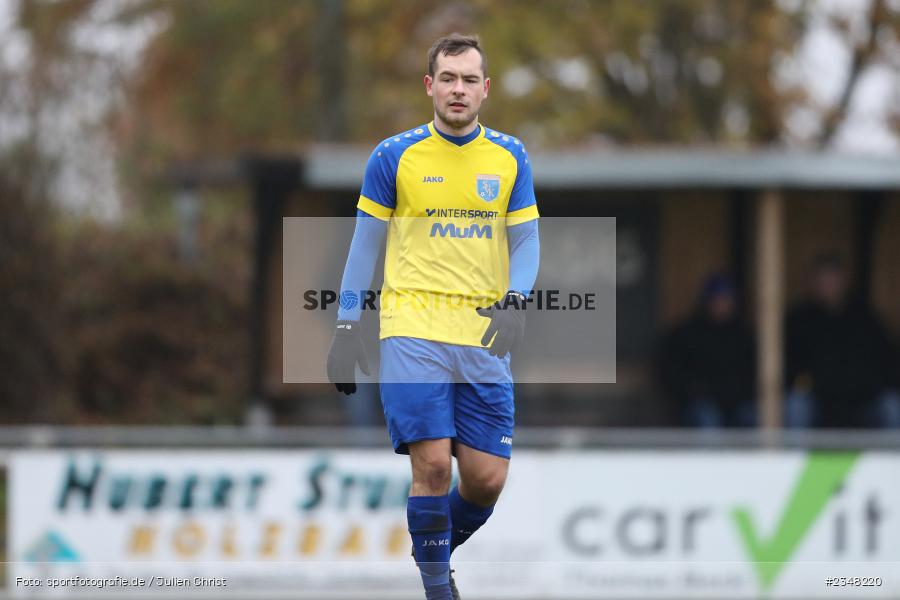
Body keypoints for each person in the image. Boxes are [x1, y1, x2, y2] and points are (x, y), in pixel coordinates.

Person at [326, 34, 540, 600]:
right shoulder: (393, 156)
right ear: (430, 86)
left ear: (485, 90)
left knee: (487, 480)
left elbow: (528, 242)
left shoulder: (510, 156)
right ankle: (437, 588)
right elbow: (363, 246)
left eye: (470, 80)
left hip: (482, 337)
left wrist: (516, 299)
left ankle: (430, 543)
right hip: (411, 331)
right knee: (433, 469)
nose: (458, 89)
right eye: (448, 78)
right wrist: (348, 324)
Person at [784, 254, 899, 428]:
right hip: (818, 400)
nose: (827, 286)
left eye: (832, 279)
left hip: (862, 400)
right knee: (796, 404)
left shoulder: (864, 317)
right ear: (813, 282)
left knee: (891, 403)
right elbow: (790, 365)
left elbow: (886, 360)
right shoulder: (799, 319)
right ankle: (792, 455)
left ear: (844, 280)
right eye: (822, 280)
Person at [658, 274, 757, 428]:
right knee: (708, 417)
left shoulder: (743, 334)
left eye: (727, 299)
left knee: (753, 416)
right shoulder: (686, 333)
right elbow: (670, 372)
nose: (722, 304)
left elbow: (752, 374)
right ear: (707, 301)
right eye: (717, 299)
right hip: (700, 404)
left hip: (738, 404)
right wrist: (694, 392)